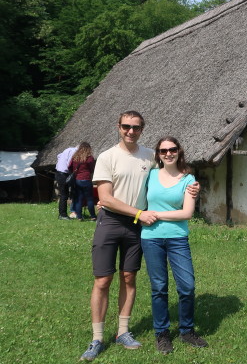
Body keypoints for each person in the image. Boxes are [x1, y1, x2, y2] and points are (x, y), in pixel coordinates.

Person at [80, 111, 199, 361]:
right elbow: (106, 198)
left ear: (142, 129)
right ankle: (97, 338)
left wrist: (193, 184)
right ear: (119, 127)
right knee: (103, 280)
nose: (131, 131)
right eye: (126, 126)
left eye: (136, 127)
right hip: (113, 221)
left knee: (129, 276)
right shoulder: (107, 157)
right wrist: (139, 213)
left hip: (137, 226)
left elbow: (171, 172)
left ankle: (123, 331)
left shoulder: (148, 156)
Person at [141, 137, 208, 354]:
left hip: (178, 238)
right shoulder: (150, 175)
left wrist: (155, 214)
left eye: (172, 149)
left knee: (187, 286)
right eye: (163, 150)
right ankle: (162, 334)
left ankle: (186, 330)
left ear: (179, 151)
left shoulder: (189, 180)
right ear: (158, 154)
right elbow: (134, 197)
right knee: (159, 288)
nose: (168, 153)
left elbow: (187, 213)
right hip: (151, 238)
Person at [69, 142, 96, 221]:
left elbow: (70, 167)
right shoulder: (89, 158)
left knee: (78, 199)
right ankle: (93, 216)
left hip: (78, 179)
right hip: (87, 179)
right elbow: (92, 169)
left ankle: (79, 217)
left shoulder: (75, 157)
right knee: (90, 199)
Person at [55, 145, 77, 220]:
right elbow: (70, 163)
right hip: (63, 174)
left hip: (58, 172)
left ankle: (62, 214)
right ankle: (63, 215)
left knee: (63, 194)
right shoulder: (74, 151)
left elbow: (58, 156)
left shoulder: (67, 150)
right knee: (64, 195)